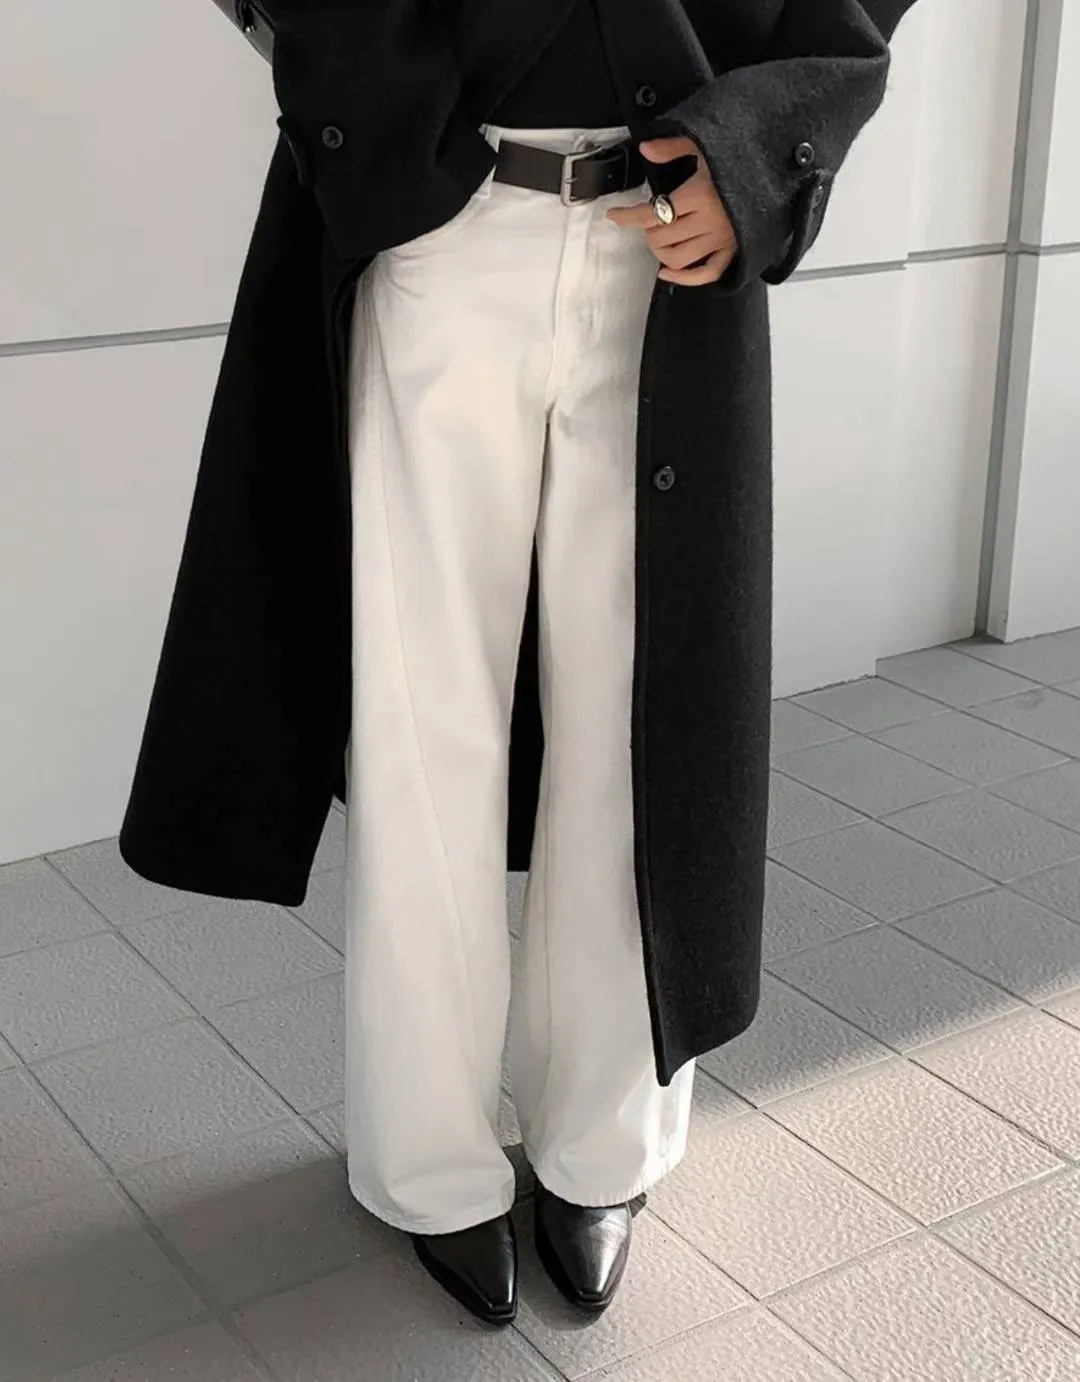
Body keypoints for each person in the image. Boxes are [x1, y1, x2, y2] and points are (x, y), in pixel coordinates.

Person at [122, 0, 917, 1329]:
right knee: (421, 713)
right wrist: (374, 104)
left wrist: (759, 145)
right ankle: (424, 1159)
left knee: (635, 723)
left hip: (671, 232)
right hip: (438, 223)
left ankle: (602, 1146)